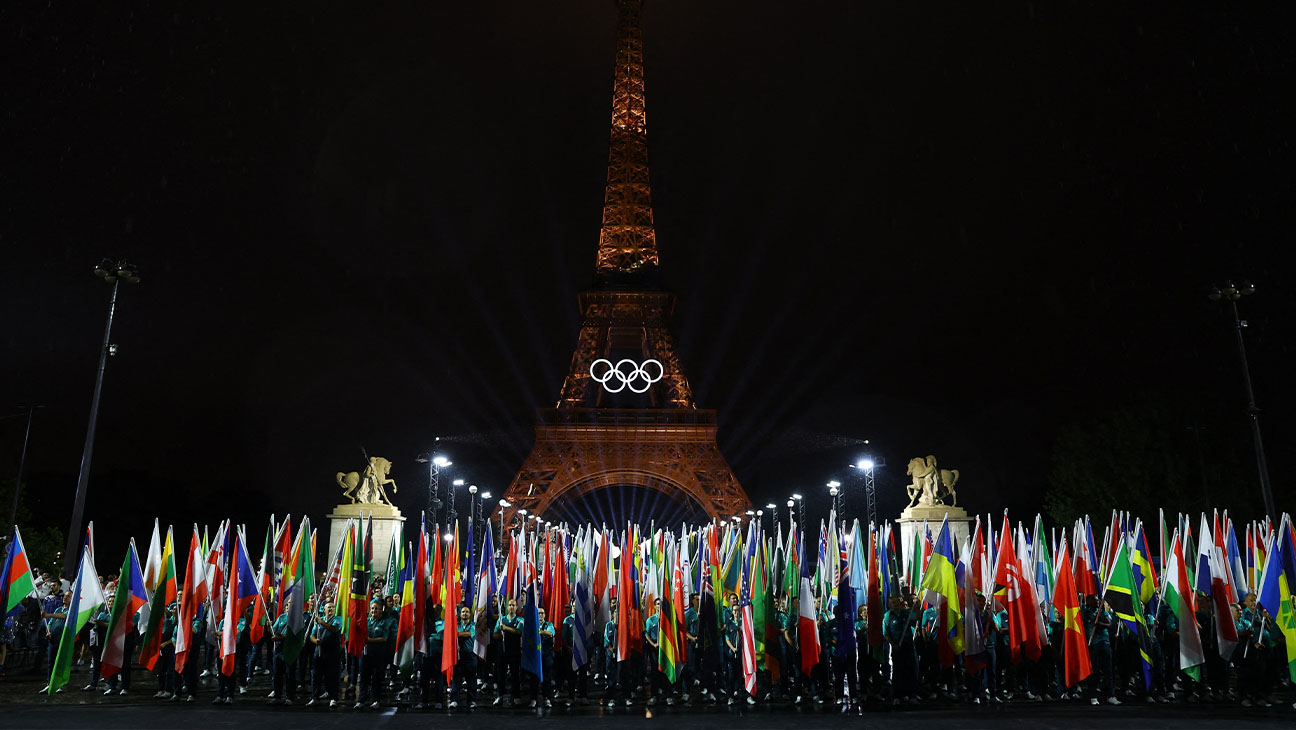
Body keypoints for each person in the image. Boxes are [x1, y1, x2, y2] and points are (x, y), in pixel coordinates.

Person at [1084, 594, 1119, 706]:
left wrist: (1100, 623)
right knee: (1094, 671)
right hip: (1093, 645)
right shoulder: (1086, 614)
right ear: (1088, 602)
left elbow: (1110, 624)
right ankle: (1093, 696)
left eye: (1098, 600)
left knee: (1108, 671)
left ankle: (1111, 696)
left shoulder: (1103, 613)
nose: (1097, 602)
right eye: (1094, 601)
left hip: (1105, 644)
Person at [306, 601, 343, 708]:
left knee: (333, 676)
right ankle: (315, 697)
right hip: (319, 653)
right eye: (328, 607)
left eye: (332, 607)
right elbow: (311, 635)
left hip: (333, 653)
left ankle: (334, 698)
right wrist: (315, 641)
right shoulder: (318, 621)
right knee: (315, 676)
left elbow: (334, 629)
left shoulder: (337, 619)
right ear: (324, 609)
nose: (331, 609)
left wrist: (321, 622)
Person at [493, 598, 523, 706]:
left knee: (515, 674)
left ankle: (516, 696)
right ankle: (499, 696)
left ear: (516, 607)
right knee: (501, 674)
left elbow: (519, 632)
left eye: (513, 605)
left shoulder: (520, 620)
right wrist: (501, 634)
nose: (511, 607)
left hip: (514, 651)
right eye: (509, 605)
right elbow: (494, 634)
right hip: (502, 650)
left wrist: (506, 629)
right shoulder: (501, 619)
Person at [452, 604, 477, 708]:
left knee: (471, 681)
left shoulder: (474, 625)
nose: (465, 613)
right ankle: (454, 700)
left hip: (470, 656)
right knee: (456, 680)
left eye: (467, 612)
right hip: (458, 656)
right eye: (463, 612)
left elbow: (469, 634)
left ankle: (471, 701)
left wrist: (456, 634)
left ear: (469, 614)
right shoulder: (456, 626)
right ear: (460, 614)